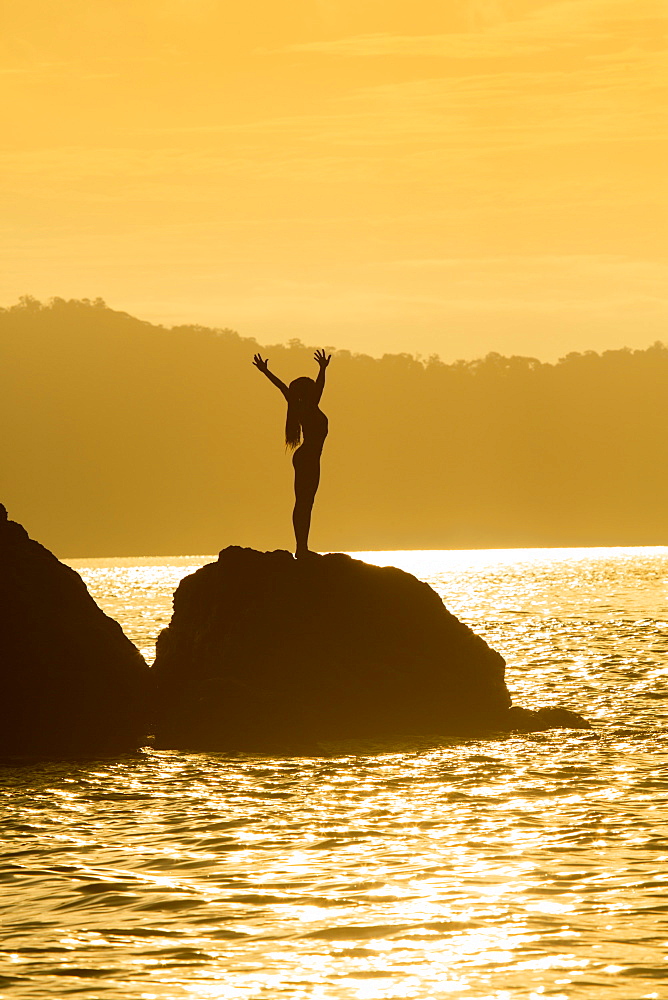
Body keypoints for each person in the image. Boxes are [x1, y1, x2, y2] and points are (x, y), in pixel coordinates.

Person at [253, 349, 331, 559]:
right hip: (309, 458)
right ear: (308, 393)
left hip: (305, 457)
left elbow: (282, 387)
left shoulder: (299, 406)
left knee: (304, 502)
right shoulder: (309, 406)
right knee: (305, 503)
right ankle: (301, 548)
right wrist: (322, 369)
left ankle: (302, 547)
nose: (315, 389)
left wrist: (266, 372)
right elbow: (315, 387)